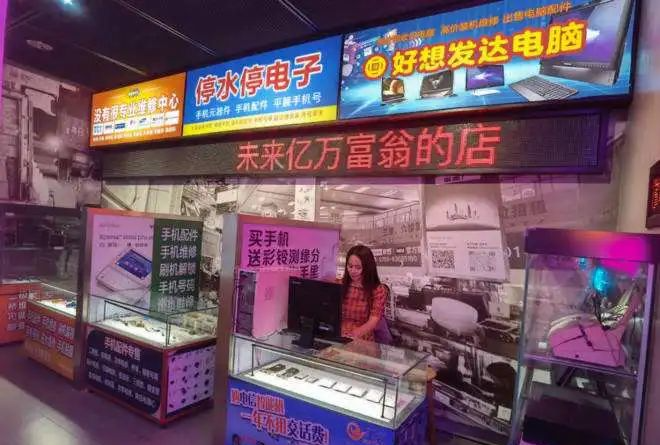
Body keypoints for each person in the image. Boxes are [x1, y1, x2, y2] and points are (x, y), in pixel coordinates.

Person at [341, 245, 388, 341]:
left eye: (358, 267)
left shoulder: (378, 290)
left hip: (362, 337)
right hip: (338, 333)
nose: (353, 271)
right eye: (350, 266)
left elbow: (373, 321)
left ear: (368, 268)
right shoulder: (340, 284)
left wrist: (352, 335)